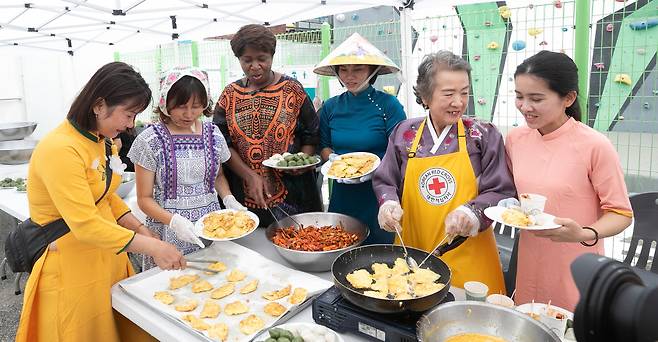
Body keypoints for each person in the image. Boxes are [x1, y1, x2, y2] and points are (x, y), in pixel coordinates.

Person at [16, 62, 185, 342]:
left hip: (107, 256)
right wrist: (154, 246)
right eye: (128, 114)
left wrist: (141, 229)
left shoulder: (102, 140)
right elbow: (86, 225)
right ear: (99, 105)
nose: (131, 124)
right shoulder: (60, 149)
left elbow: (106, 198)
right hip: (72, 268)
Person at [372, 51, 515, 293]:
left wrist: (471, 213)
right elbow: (386, 180)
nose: (458, 102)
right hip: (413, 250)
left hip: (469, 252)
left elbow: (501, 190)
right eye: (448, 94)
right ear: (425, 96)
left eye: (464, 92)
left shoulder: (483, 135)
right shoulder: (404, 133)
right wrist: (388, 204)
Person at [504, 51, 633, 310]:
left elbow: (621, 213)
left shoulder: (595, 145)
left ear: (568, 98)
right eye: (519, 96)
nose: (525, 107)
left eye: (536, 98)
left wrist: (583, 233)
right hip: (529, 260)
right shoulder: (516, 139)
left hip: (578, 263)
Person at [129, 67, 245, 271]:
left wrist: (228, 198)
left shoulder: (213, 134)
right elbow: (144, 198)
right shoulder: (150, 140)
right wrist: (174, 221)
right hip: (168, 230)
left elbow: (217, 176)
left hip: (210, 227)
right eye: (181, 106)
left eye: (197, 106)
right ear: (166, 103)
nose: (189, 114)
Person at [213, 24, 322, 226]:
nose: (254, 66)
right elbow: (220, 143)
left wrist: (301, 161)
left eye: (262, 59)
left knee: (298, 239)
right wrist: (250, 175)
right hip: (244, 191)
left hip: (293, 192)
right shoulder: (230, 95)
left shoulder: (292, 89)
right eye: (247, 60)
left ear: (272, 56)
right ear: (239, 59)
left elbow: (312, 132)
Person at [314, 32, 406, 244]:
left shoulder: (388, 105)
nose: (349, 76)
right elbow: (324, 146)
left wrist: (373, 169)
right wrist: (335, 160)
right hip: (342, 193)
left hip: (379, 194)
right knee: (341, 246)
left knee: (379, 252)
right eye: (343, 69)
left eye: (358, 69)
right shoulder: (330, 107)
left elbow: (401, 152)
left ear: (372, 70)